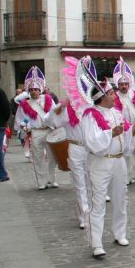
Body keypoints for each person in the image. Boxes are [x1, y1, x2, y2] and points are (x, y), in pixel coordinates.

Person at [81, 66, 135, 259]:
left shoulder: (116, 113)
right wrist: (110, 133)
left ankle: (120, 233)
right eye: (110, 92)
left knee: (120, 199)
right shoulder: (90, 114)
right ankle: (96, 243)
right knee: (98, 202)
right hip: (100, 162)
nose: (114, 94)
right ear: (101, 96)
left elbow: (126, 135)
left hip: (118, 161)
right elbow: (92, 141)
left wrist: (134, 131)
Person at [44, 56, 96, 229]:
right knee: (79, 182)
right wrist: (57, 109)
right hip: (75, 147)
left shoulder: (92, 108)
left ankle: (91, 210)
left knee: (90, 182)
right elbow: (49, 121)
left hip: (91, 148)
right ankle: (84, 214)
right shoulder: (68, 109)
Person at [14, 66, 58, 189]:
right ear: (28, 90)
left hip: (49, 130)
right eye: (31, 89)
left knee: (52, 156)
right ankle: (41, 182)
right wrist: (24, 126)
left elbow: (55, 113)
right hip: (36, 132)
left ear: (41, 89)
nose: (34, 91)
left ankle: (51, 179)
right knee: (38, 158)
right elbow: (20, 119)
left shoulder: (48, 99)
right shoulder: (24, 104)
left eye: (36, 89)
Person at [112, 58, 135, 184]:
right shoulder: (114, 97)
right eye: (121, 84)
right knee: (126, 154)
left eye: (126, 84)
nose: (124, 86)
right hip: (123, 129)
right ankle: (126, 177)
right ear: (117, 85)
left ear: (129, 84)